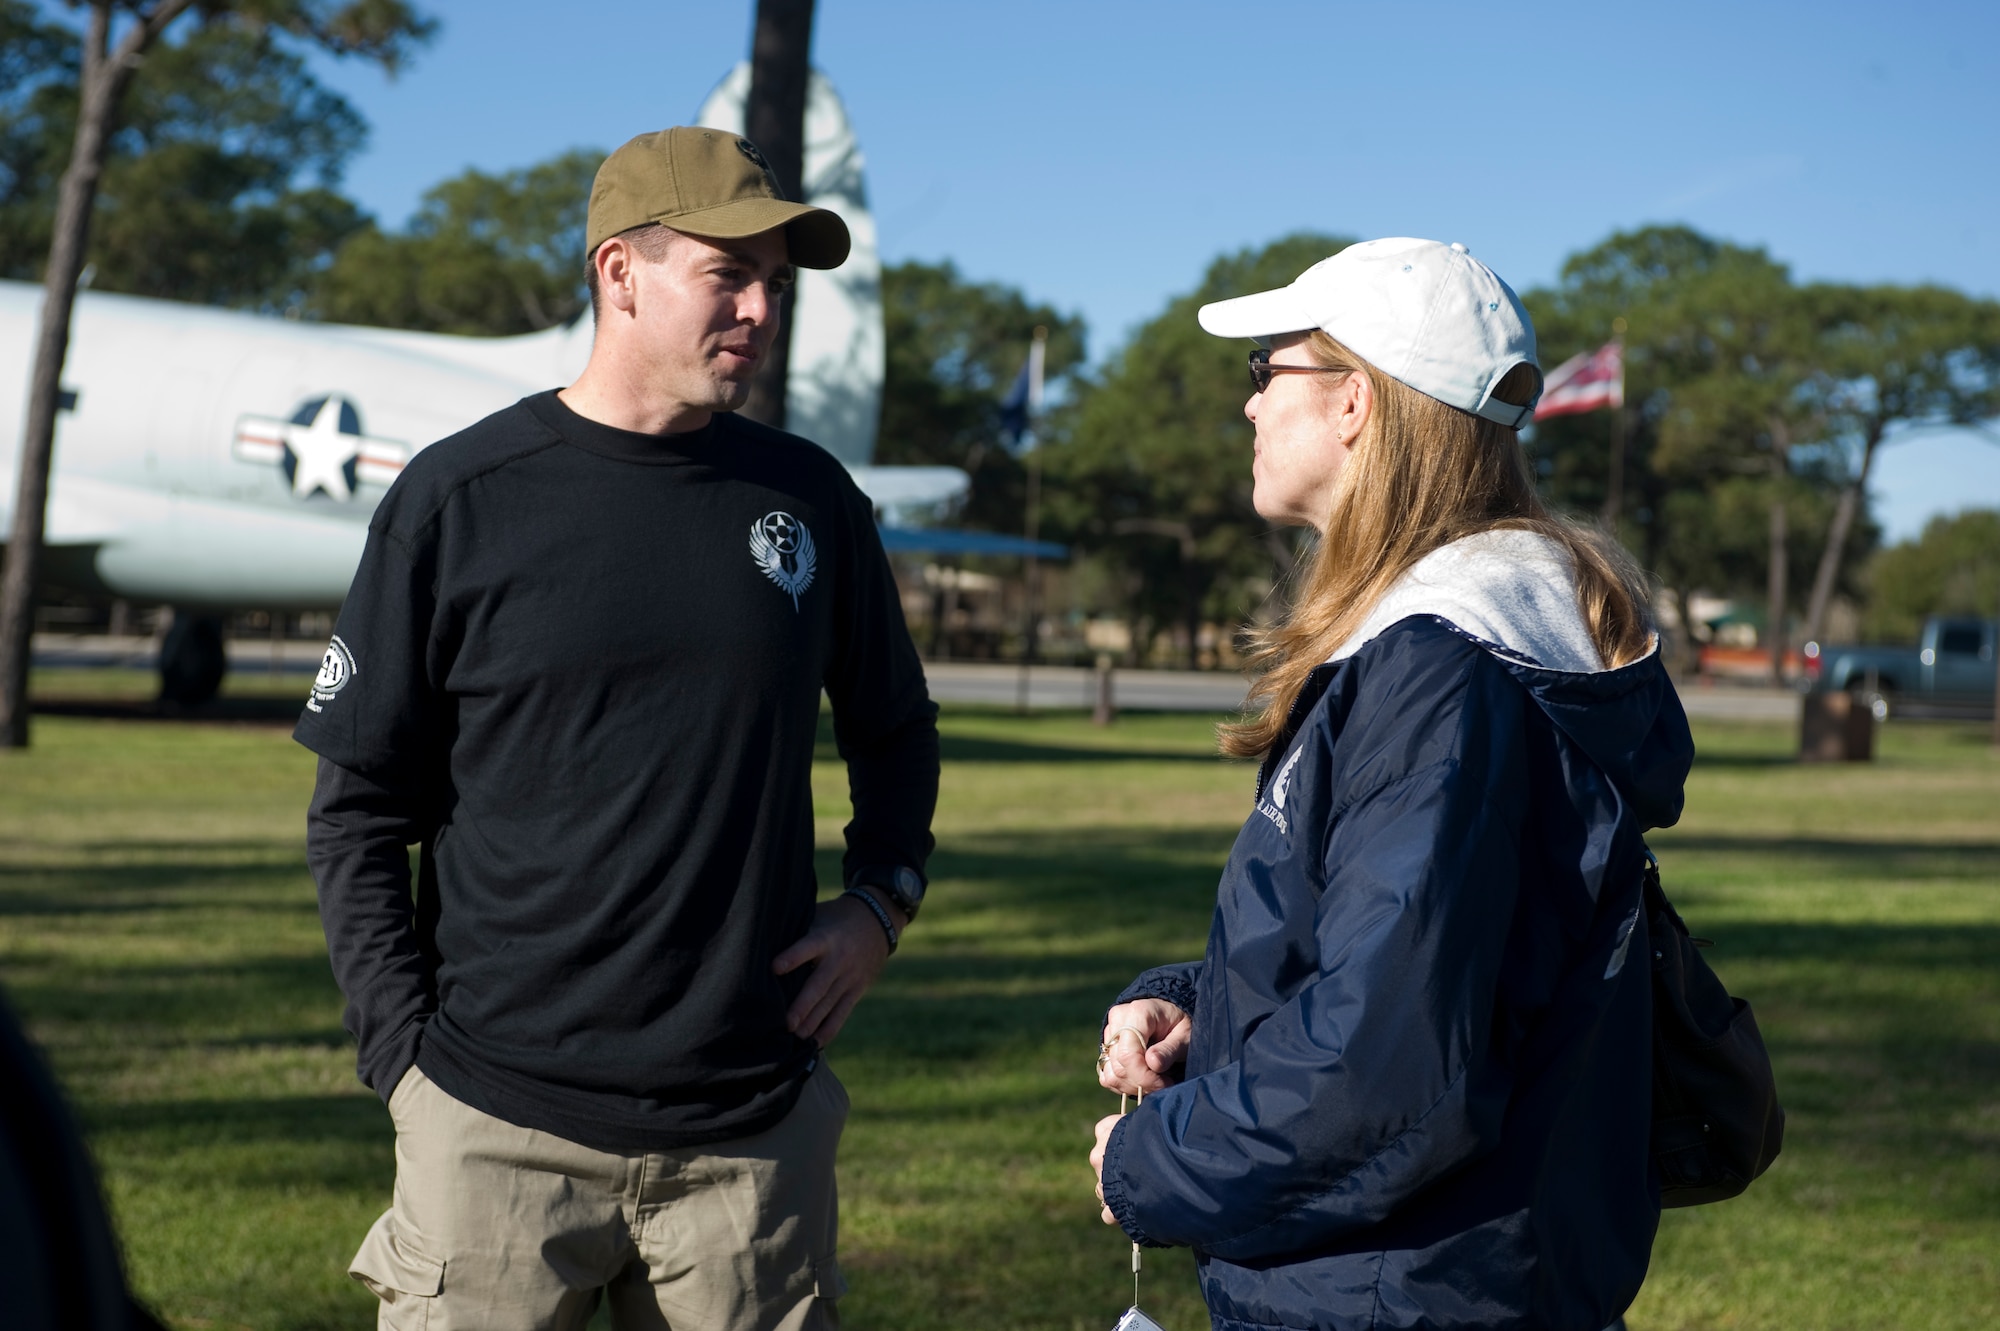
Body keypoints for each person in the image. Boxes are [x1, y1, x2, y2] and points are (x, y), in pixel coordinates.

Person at [299, 127, 939, 1331]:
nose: (758, 311)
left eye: (774, 287)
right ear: (618, 271)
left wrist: (879, 901)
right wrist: (409, 1072)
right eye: (726, 276)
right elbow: (357, 812)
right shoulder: (460, 498)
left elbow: (895, 727)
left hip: (747, 1151)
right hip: (492, 1137)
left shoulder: (810, 503)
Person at [1088, 238, 1694, 1331]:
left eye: (1265, 371)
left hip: (1399, 1290)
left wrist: (1146, 1159)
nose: (1248, 407)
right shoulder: (1453, 646)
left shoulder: (1440, 666)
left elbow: (1387, 1063)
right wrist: (1204, 1004)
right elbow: (1432, 956)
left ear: (1354, 402)